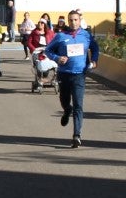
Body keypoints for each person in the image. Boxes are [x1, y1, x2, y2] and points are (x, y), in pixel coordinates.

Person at [42, 10, 99, 148]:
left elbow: (95, 48)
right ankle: (67, 110)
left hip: (79, 74)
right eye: (71, 20)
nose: (73, 22)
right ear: (68, 21)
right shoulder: (61, 36)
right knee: (64, 100)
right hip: (64, 74)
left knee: (78, 105)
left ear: (80, 21)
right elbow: (48, 50)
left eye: (76, 20)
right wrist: (57, 58)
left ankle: (76, 135)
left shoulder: (86, 35)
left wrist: (94, 60)